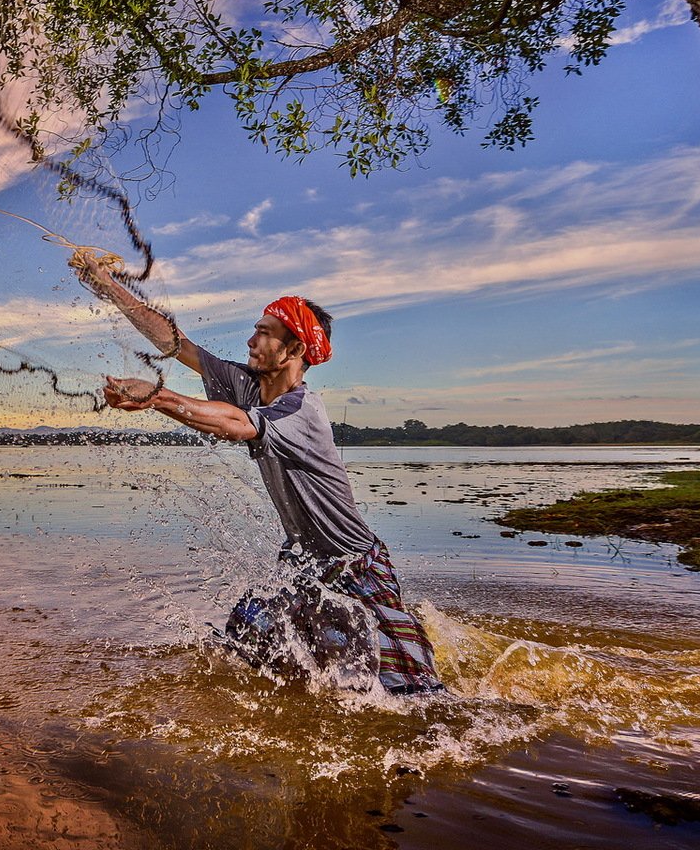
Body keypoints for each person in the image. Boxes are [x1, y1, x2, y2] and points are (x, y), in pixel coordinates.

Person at [70, 248, 443, 694]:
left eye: (264, 334)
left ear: (295, 350)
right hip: (304, 565)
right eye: (255, 330)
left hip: (355, 567)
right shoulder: (249, 386)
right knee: (256, 642)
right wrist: (107, 286)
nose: (251, 341)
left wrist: (158, 398)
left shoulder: (302, 412)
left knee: (413, 695)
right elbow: (174, 343)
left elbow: (235, 425)